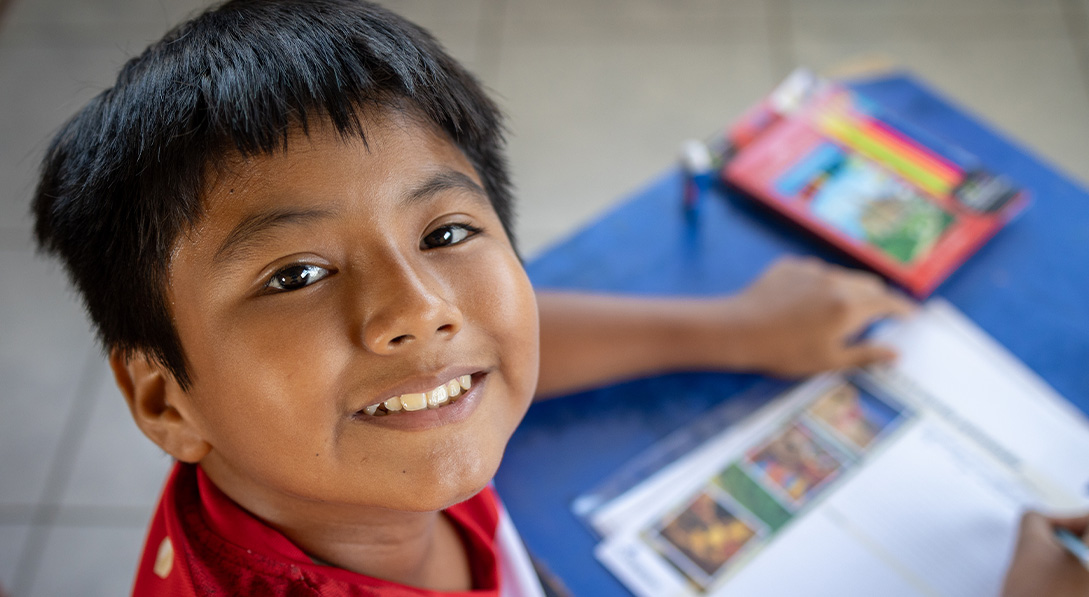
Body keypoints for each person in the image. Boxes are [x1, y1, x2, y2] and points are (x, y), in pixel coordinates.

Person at [29, 0, 1086, 594]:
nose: (420, 309)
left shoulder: (342, 458)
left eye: (445, 232)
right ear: (164, 398)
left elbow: (490, 334)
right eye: (295, 275)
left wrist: (740, 329)